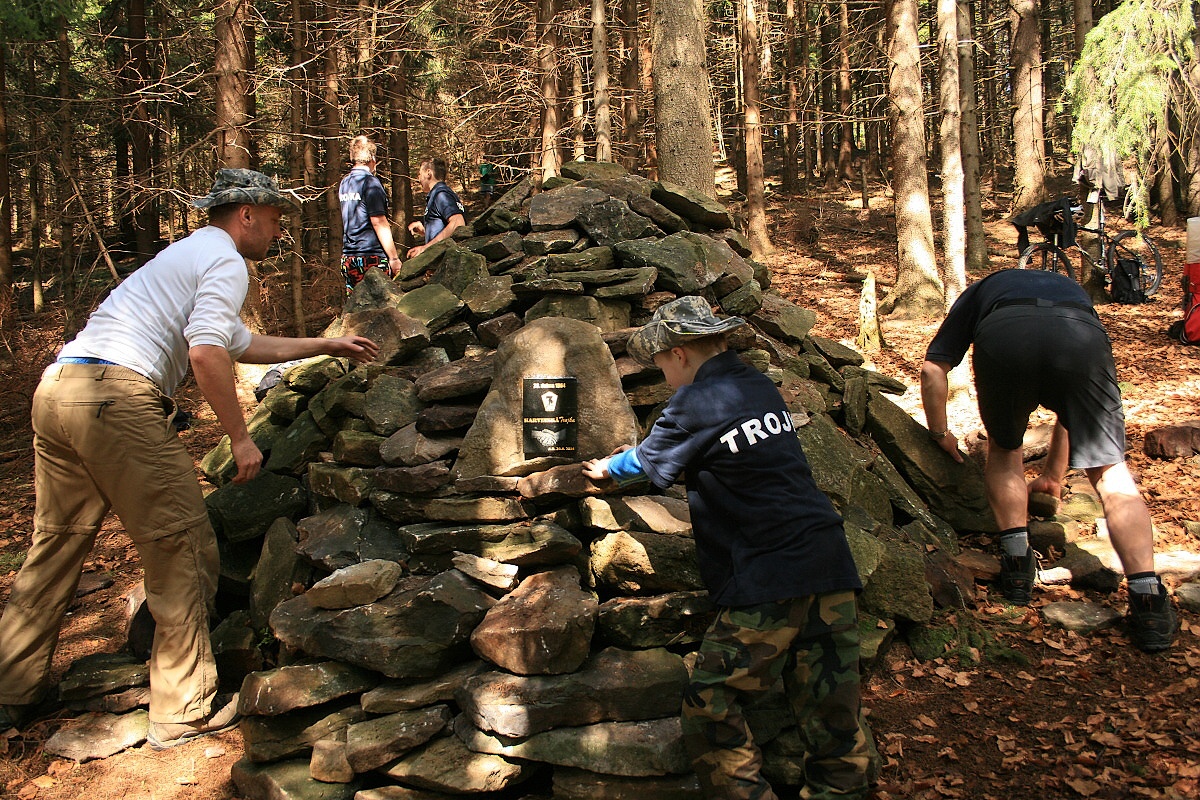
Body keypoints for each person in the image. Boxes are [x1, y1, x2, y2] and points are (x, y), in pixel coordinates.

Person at [0, 169, 380, 746]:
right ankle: (183, 707)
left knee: (57, 543)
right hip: (115, 399)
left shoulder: (188, 255)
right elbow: (205, 354)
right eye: (275, 219)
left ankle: (11, 689)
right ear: (245, 215)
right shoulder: (225, 258)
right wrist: (241, 436)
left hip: (60, 390)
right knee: (180, 543)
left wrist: (326, 344)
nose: (279, 232)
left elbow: (240, 343)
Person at [582, 296, 876, 800]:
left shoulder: (695, 401)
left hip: (767, 572)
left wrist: (606, 468)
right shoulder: (757, 385)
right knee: (830, 705)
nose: (661, 375)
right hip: (828, 557)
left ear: (678, 354)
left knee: (711, 705)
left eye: (659, 365)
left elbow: (645, 464)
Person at [919, 268, 1177, 652]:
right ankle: (1148, 600)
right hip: (1080, 338)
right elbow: (1069, 409)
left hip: (1006, 334)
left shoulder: (982, 291)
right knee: (1110, 472)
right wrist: (1055, 473)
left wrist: (939, 433)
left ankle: (1017, 567)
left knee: (1006, 452)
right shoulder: (1072, 291)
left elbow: (932, 368)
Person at [339, 135, 403, 294]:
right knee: (382, 311)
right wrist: (394, 258)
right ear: (372, 158)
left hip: (349, 258)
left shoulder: (344, 183)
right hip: (371, 258)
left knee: (356, 311)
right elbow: (379, 222)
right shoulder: (370, 183)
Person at [406, 158, 466, 259]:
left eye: (420, 174)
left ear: (428, 173)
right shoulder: (440, 194)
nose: (418, 178)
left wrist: (425, 248)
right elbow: (445, 230)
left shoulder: (441, 195)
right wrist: (425, 231)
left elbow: (458, 223)